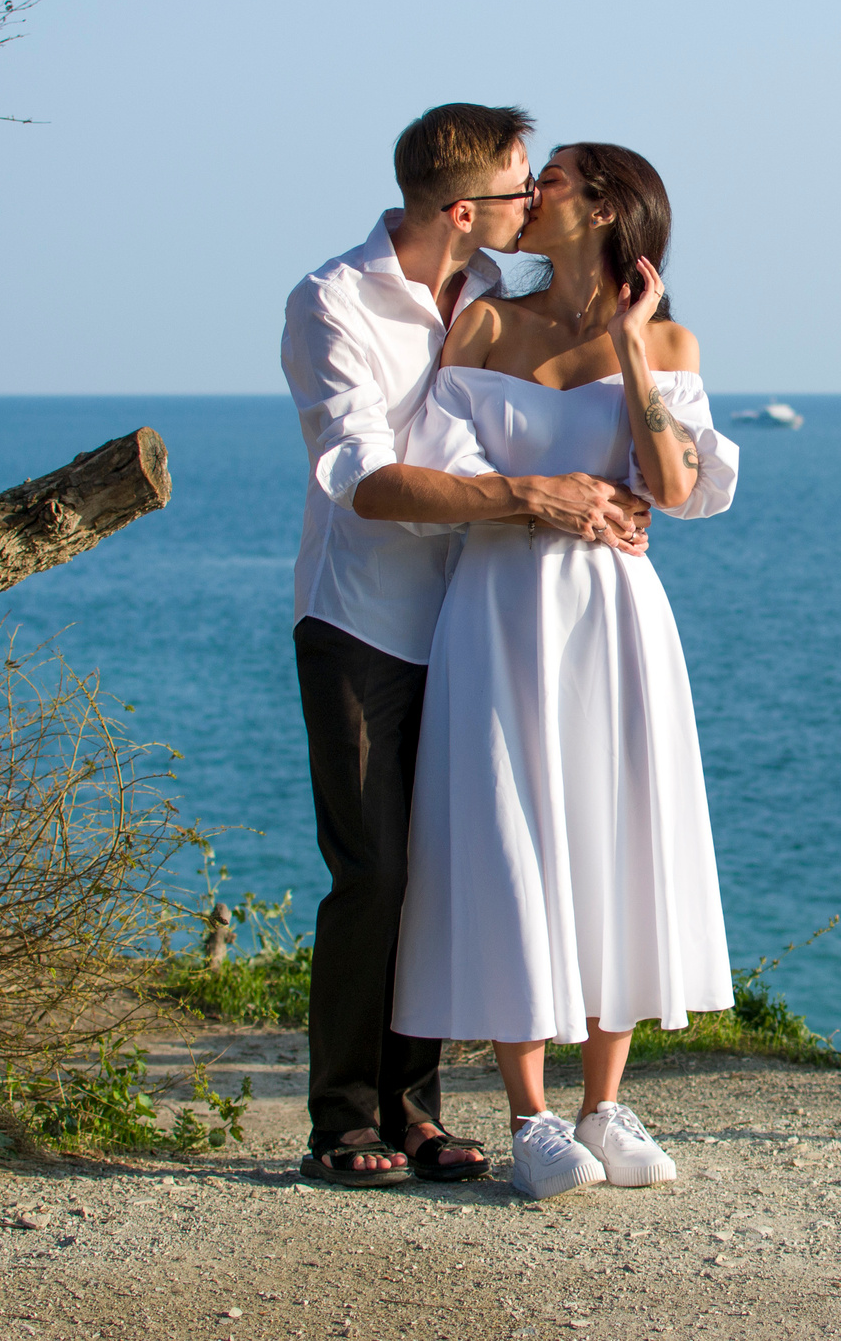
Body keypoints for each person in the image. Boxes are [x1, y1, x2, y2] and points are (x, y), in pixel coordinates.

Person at [280, 105, 652, 1186]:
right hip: (362, 620)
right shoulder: (334, 302)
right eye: (515, 188)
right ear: (461, 208)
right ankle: (344, 1118)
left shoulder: (492, 295)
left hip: (483, 627)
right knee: (376, 871)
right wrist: (527, 495)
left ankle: (416, 1112)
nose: (530, 201)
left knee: (447, 870)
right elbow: (363, 480)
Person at [392, 142, 739, 1200]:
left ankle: (605, 1102)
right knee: (511, 834)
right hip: (499, 608)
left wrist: (633, 350)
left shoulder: (666, 336)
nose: (528, 192)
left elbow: (675, 489)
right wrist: (542, 491)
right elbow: (441, 472)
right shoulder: (485, 324)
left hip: (616, 614)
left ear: (603, 209)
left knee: (614, 831)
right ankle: (531, 1117)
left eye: (552, 181)